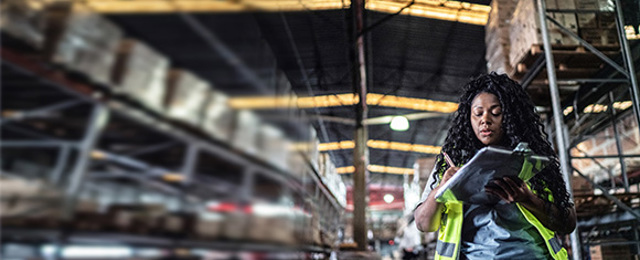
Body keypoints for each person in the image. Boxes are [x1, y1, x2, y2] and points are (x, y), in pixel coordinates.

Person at [413, 72, 576, 260]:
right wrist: (441, 189)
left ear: (511, 116)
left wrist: (527, 199)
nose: (485, 120)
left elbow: (568, 223)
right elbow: (423, 224)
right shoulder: (450, 164)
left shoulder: (531, 162)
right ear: (468, 118)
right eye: (478, 113)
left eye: (496, 112)